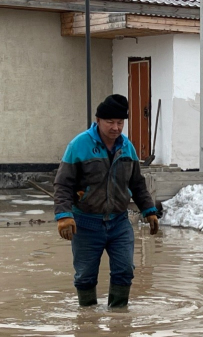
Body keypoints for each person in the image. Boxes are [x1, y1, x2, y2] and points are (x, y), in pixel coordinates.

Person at [53, 94, 159, 308]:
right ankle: (87, 320)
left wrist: (149, 209)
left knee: (125, 270)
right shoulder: (79, 145)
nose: (116, 127)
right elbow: (63, 184)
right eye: (110, 122)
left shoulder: (127, 147)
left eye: (120, 122)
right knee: (84, 275)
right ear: (98, 120)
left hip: (119, 222)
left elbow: (137, 183)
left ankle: (118, 319)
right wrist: (64, 215)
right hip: (85, 223)